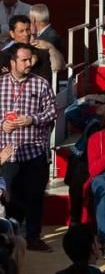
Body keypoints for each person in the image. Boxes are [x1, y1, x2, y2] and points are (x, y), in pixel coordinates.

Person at [0, 43, 55, 252]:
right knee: (8, 195)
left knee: (35, 196)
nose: (29, 63)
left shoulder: (40, 84)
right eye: (24, 60)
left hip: (33, 151)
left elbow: (52, 113)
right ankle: (9, 238)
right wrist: (2, 124)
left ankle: (33, 237)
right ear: (12, 62)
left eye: (30, 59)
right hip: (8, 153)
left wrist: (32, 119)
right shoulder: (1, 84)